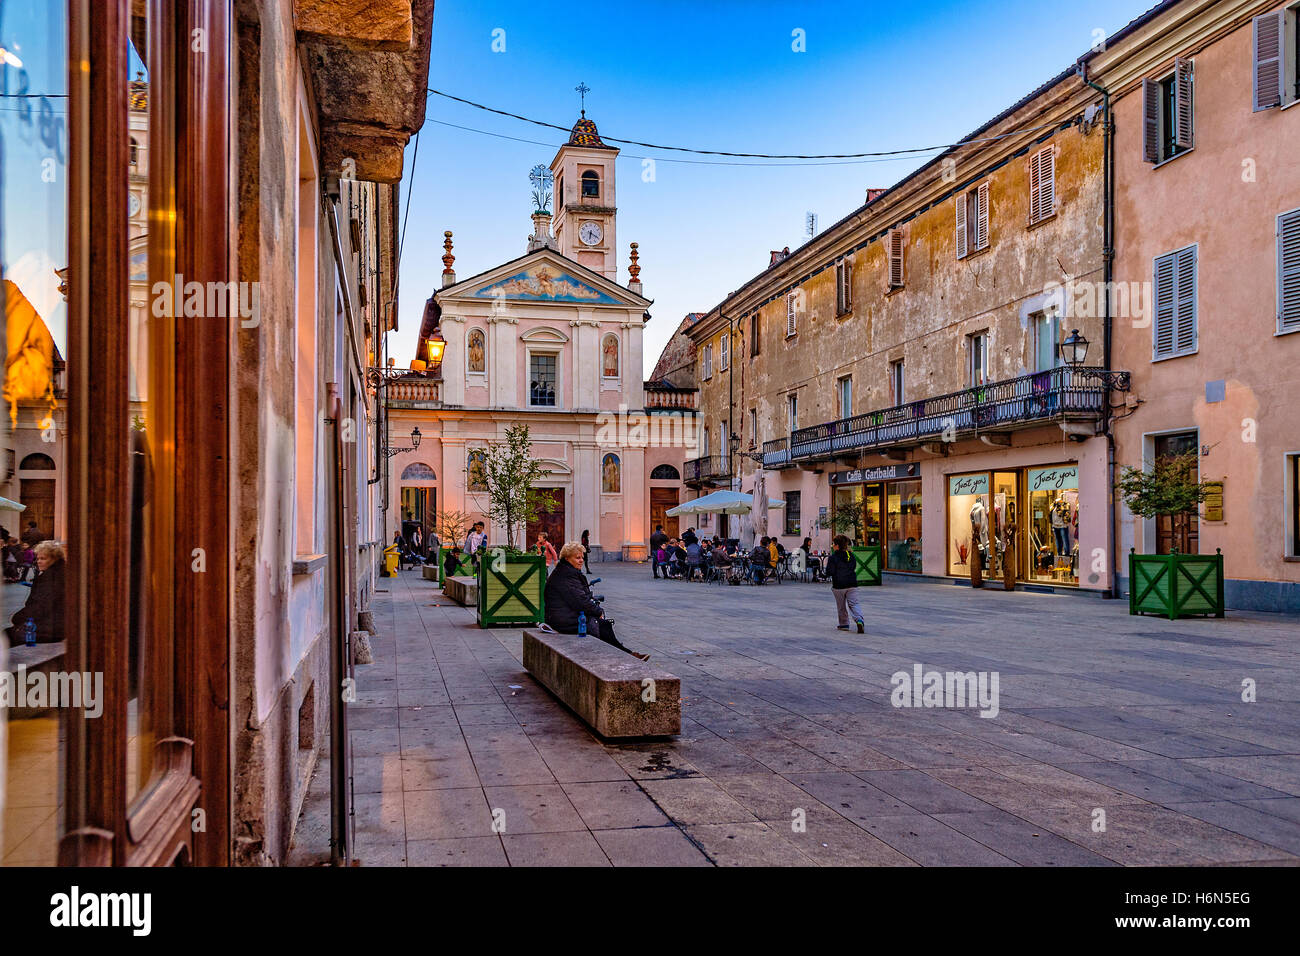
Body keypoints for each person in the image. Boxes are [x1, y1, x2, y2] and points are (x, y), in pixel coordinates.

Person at [544, 542, 649, 661]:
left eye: (582, 557)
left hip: (560, 616)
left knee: (601, 624)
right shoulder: (567, 575)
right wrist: (598, 611)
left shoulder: (565, 571)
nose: (581, 560)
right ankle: (626, 656)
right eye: (577, 558)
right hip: (562, 620)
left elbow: (579, 598)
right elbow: (580, 602)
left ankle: (625, 654)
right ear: (567, 558)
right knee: (601, 624)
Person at [6, 540, 66, 644]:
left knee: (6, 636)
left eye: (43, 558)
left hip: (51, 628)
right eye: (37, 558)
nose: (38, 561)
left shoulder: (50, 578)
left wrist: (17, 618)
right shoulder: (59, 573)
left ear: (54, 559)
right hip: (55, 624)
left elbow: (40, 607)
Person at [827, 534, 865, 633]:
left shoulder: (833, 557)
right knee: (854, 603)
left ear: (837, 545)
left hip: (839, 585)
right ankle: (859, 620)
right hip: (852, 583)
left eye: (833, 544)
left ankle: (844, 624)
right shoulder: (850, 555)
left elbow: (829, 572)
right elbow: (853, 567)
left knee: (841, 606)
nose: (832, 546)